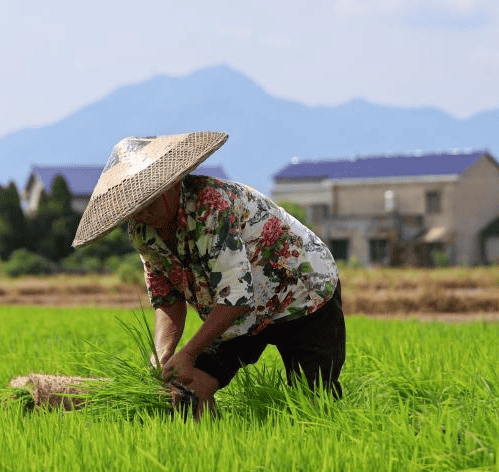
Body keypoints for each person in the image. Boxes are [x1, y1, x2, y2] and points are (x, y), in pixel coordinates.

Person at [72, 131, 345, 416]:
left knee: (314, 402)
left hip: (302, 292)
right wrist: (162, 354)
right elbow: (167, 298)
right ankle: (209, 446)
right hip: (241, 313)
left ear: (169, 187)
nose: (140, 214)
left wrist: (188, 352)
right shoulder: (143, 231)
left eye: (146, 203)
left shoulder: (211, 206)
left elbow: (235, 298)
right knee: (189, 385)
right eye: (132, 209)